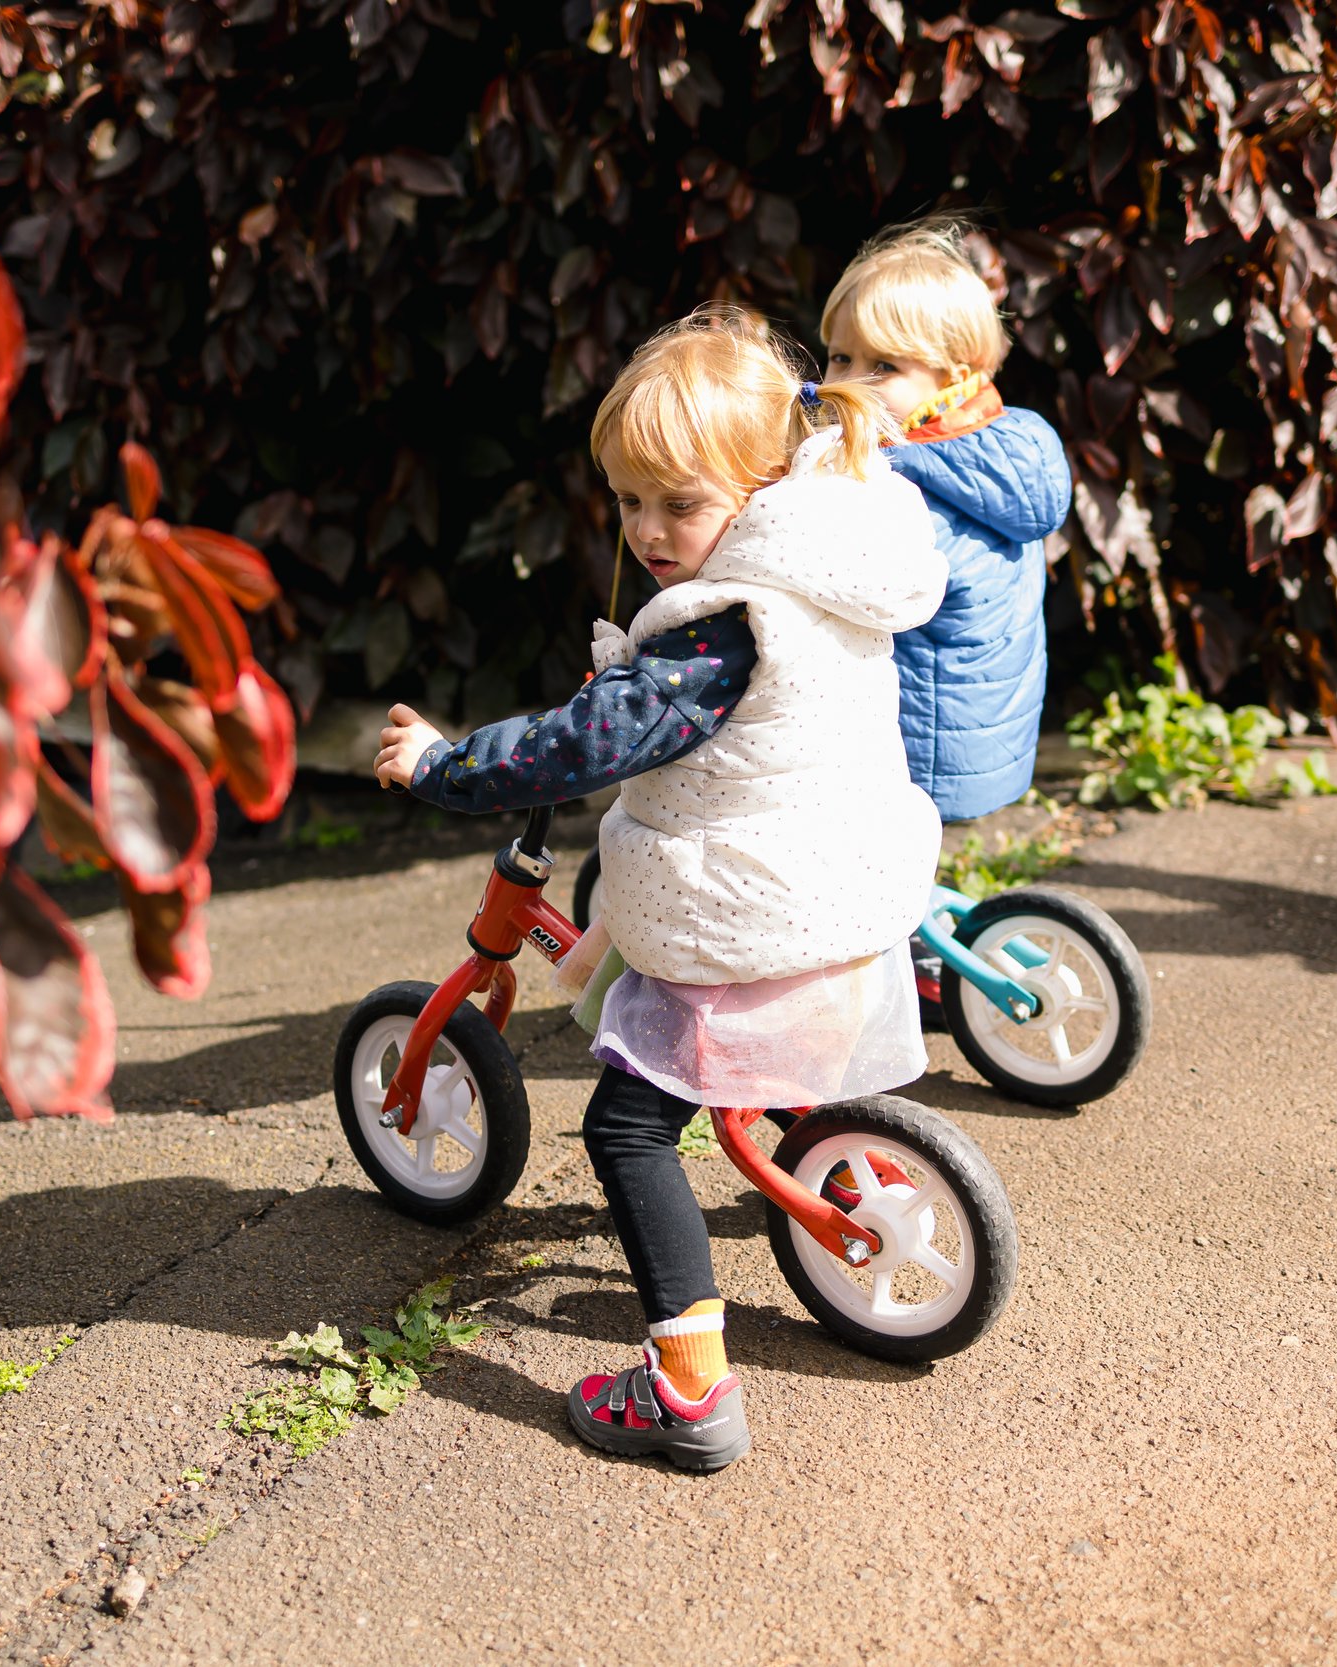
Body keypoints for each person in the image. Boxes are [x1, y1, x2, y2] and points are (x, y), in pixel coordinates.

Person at [375, 306, 946, 1471]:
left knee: (628, 1127)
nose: (644, 530)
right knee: (636, 918)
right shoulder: (830, 560)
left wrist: (448, 762)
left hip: (753, 922)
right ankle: (850, 1164)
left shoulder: (721, 630)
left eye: (676, 503)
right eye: (628, 500)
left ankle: (689, 1392)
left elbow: (586, 744)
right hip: (841, 893)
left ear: (761, 482)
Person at [821, 218, 1073, 824]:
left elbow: (829, 580)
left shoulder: (909, 488)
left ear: (954, 377)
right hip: (972, 736)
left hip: (912, 749)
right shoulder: (994, 453)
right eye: (839, 357)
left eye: (883, 367)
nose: (849, 384)